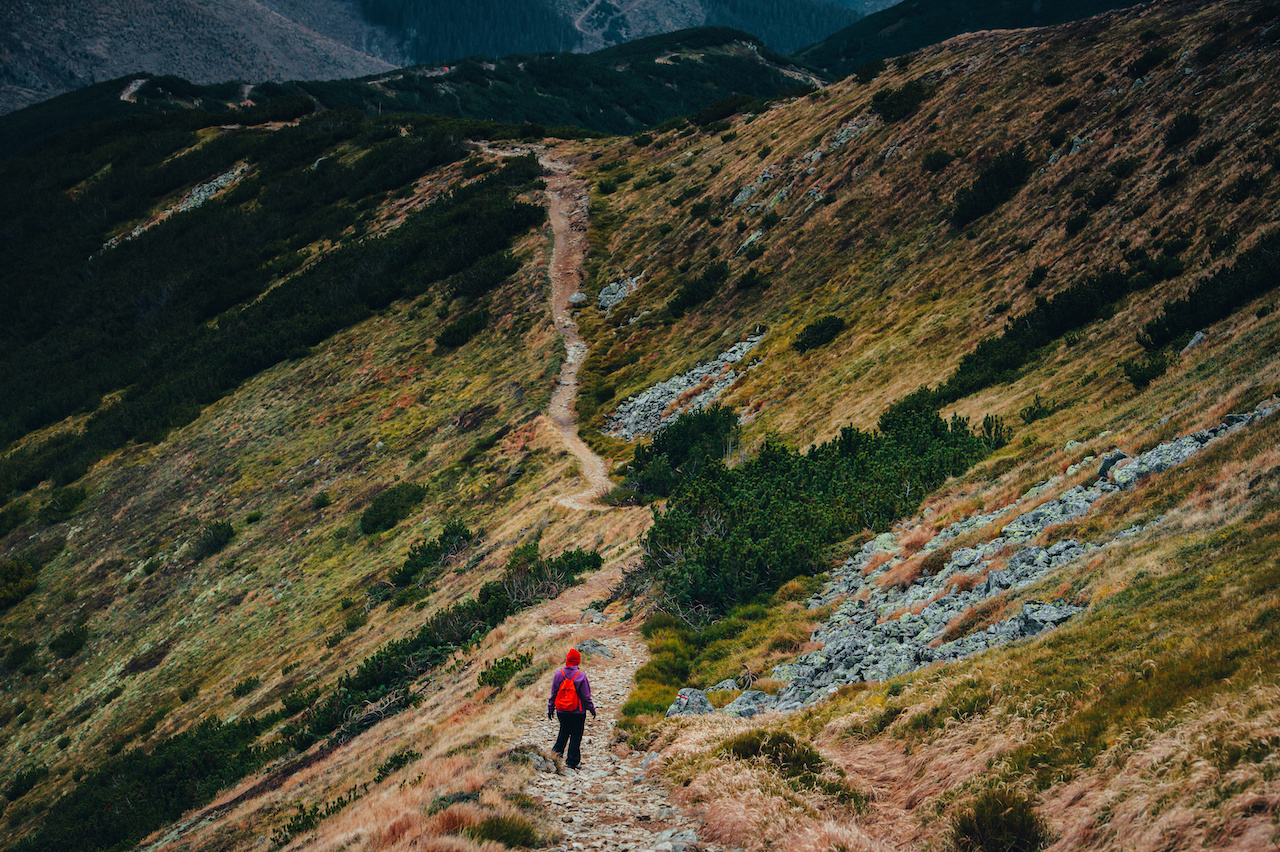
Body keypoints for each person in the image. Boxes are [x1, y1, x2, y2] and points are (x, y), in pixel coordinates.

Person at [547, 648, 596, 770]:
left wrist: (550, 708)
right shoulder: (581, 676)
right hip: (577, 712)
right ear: (577, 661)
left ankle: (555, 756)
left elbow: (553, 694)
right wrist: (591, 709)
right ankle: (572, 761)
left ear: (567, 660)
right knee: (576, 735)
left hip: (561, 711)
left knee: (563, 732)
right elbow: (586, 696)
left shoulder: (559, 674)